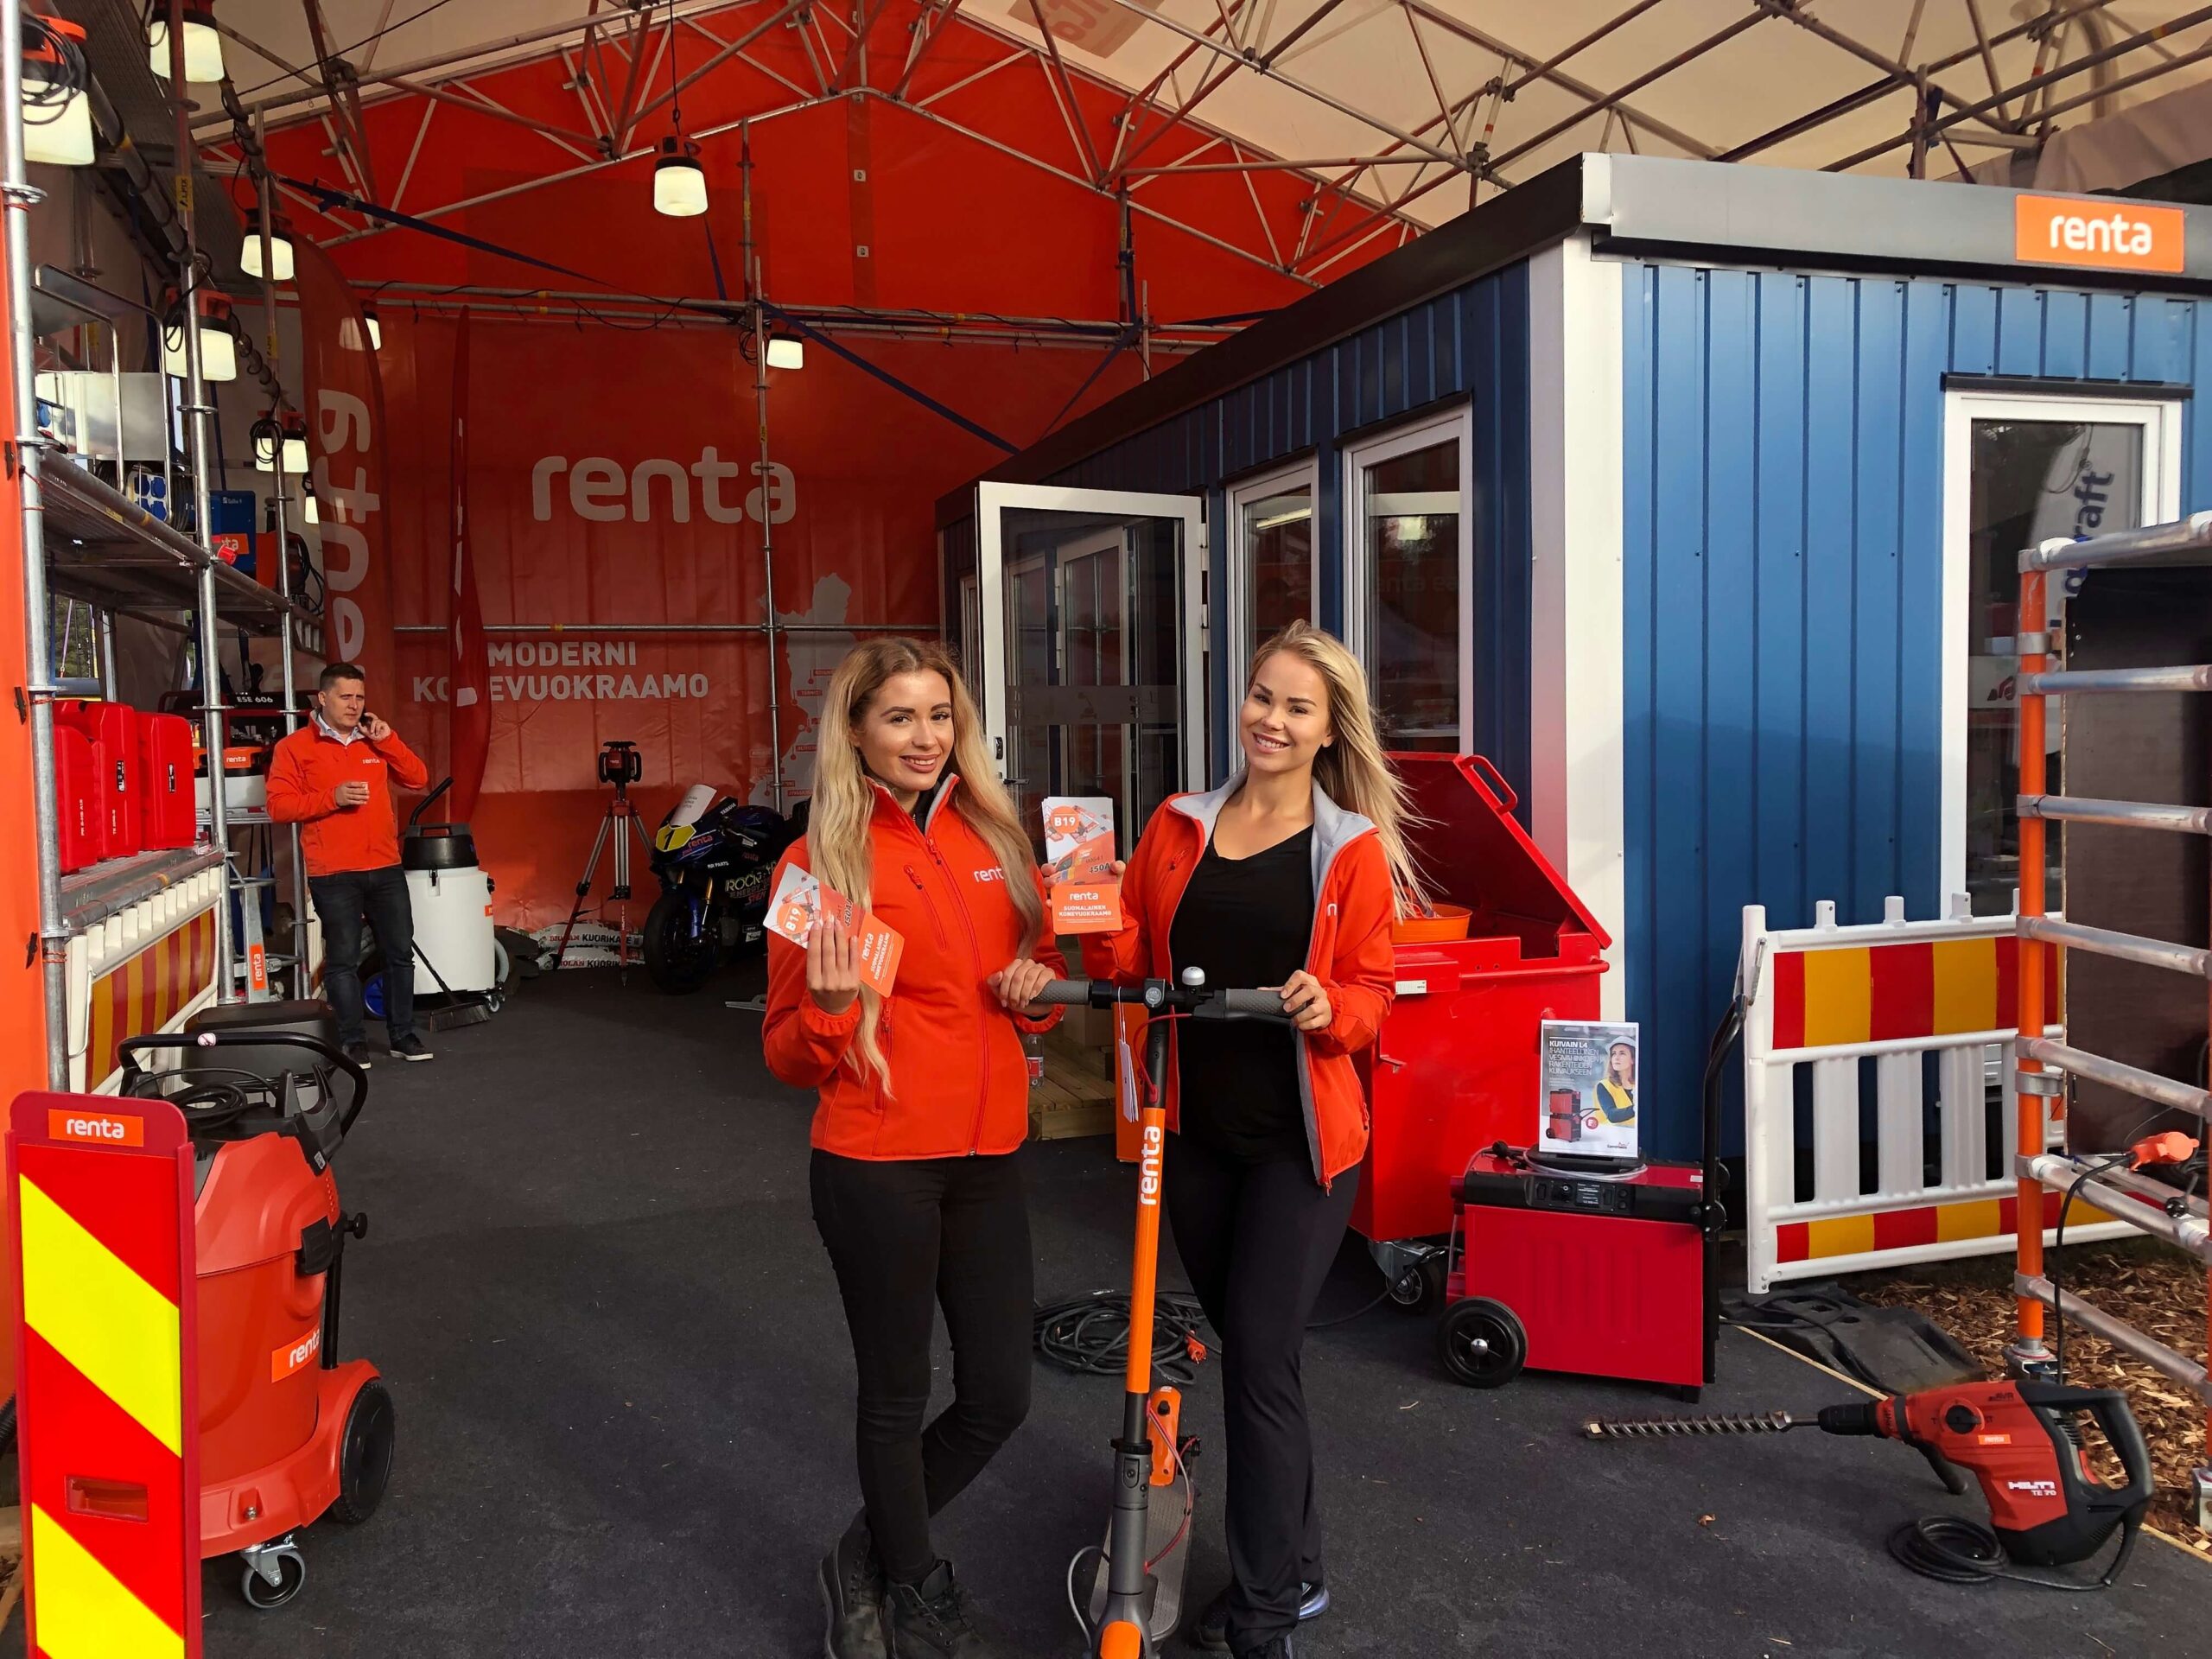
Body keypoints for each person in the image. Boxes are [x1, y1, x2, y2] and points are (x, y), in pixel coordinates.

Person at [1084, 620, 1418, 1659]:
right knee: (1254, 1358)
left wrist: (1330, 1007)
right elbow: (1130, 956)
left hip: (1297, 1146)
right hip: (1191, 1134)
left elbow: (1371, 993)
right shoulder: (1178, 824)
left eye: (1296, 707)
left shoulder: (1349, 851)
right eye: (1262, 696)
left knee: (1261, 1359)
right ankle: (1297, 1563)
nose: (1271, 719)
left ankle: (1266, 1609)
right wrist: (1085, 909)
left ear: (1329, 730)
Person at [762, 638, 1065, 1659]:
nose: (925, 737)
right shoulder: (819, 863)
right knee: (896, 1395)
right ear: (855, 732)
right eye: (899, 717)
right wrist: (829, 1010)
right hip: (876, 1163)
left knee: (999, 1396)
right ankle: (918, 1585)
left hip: (988, 1156)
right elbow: (786, 1053)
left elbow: (1035, 980)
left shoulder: (998, 836)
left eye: (940, 715)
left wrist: (1037, 993)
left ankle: (863, 1554)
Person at [266, 661, 433, 1067]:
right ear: (323, 698)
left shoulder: (375, 741)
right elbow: (279, 807)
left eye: (359, 697)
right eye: (345, 697)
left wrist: (389, 739)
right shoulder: (294, 747)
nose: (354, 704)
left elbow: (418, 778)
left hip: (385, 867)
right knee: (342, 960)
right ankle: (352, 1041)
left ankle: (403, 1035)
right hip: (333, 872)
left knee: (399, 955)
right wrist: (333, 798)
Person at [1597, 1041, 1637, 1124]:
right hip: (1616, 1132)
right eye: (1613, 1054)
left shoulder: (1640, 1084)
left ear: (1633, 1060)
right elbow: (1612, 1116)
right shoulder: (1604, 1085)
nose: (1616, 1058)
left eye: (1622, 1053)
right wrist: (1637, 1108)